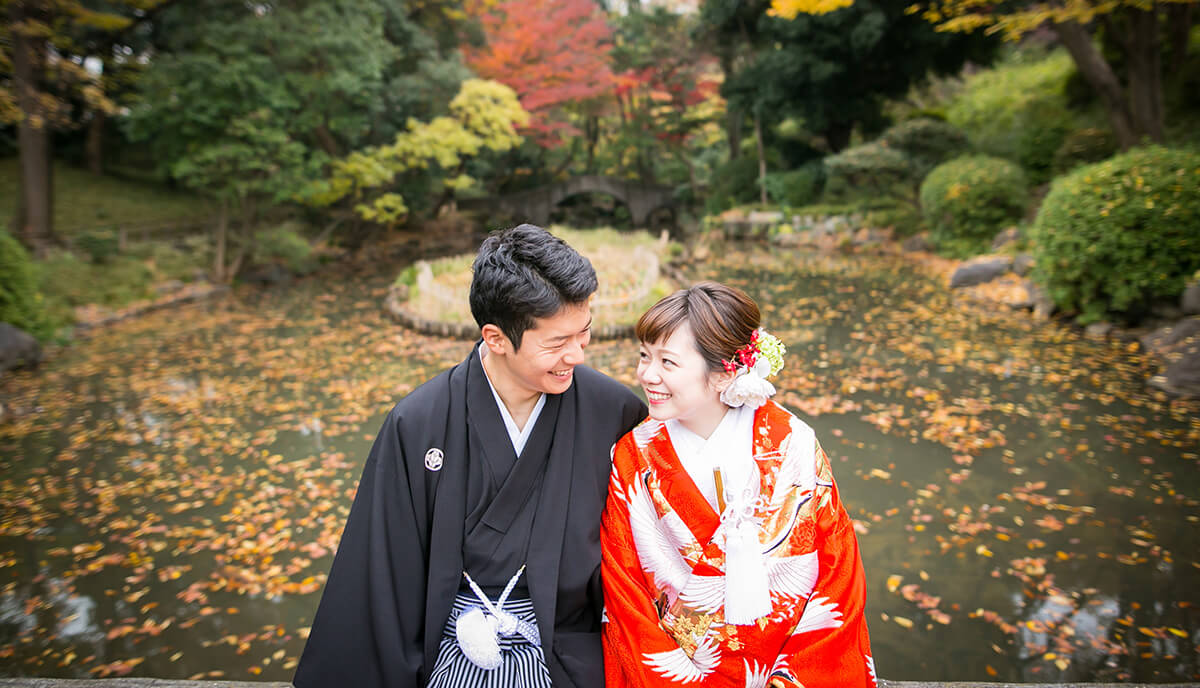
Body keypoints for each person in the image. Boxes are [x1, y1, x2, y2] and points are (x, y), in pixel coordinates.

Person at [294, 224, 647, 688]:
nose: (577, 356)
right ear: (496, 338)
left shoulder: (613, 413)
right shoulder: (418, 423)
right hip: (453, 647)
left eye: (583, 334)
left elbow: (643, 557)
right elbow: (380, 571)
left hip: (571, 652)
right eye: (556, 344)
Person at [602, 281, 875, 688]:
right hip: (673, 667)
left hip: (785, 665)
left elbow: (837, 571)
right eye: (645, 356)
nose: (647, 374)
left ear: (724, 372)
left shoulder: (791, 443)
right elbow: (623, 588)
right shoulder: (632, 456)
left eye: (667, 362)